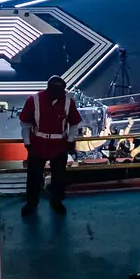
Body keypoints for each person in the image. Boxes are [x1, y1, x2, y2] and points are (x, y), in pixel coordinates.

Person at [19, 74, 85, 215]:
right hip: (37, 143)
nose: (63, 93)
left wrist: (70, 141)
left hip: (59, 144)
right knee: (34, 175)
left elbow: (74, 124)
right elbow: (25, 123)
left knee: (59, 176)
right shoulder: (34, 100)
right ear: (50, 89)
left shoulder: (68, 102)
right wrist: (28, 144)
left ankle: (57, 201)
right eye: (59, 91)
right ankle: (31, 203)